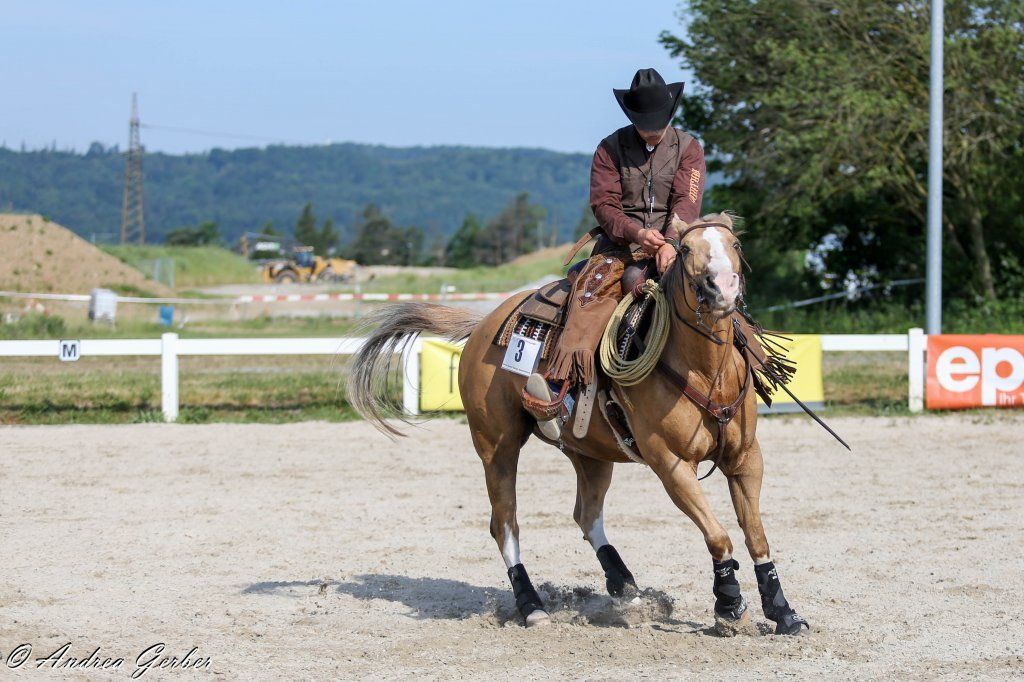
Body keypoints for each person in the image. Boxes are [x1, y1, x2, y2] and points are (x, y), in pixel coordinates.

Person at [546, 67, 707, 389]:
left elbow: (687, 202)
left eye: (657, 125)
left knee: (717, 287)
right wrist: (636, 233)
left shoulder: (689, 148)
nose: (651, 132)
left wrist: (669, 242)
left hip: (675, 239)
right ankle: (564, 379)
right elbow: (604, 205)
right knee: (589, 295)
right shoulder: (609, 148)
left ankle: (750, 362)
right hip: (619, 243)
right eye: (644, 125)